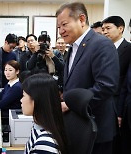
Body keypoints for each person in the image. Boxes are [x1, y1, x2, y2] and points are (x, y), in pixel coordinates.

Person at [56, 2, 119, 154]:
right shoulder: (73, 48)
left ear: (82, 19)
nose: (61, 31)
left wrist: (70, 104)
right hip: (79, 127)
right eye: (59, 27)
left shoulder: (101, 44)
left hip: (96, 129)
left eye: (64, 25)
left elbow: (106, 86)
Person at [102, 16, 131, 154]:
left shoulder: (129, 49)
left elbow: (126, 83)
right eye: (103, 29)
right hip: (103, 102)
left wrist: (120, 111)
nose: (105, 32)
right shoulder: (103, 49)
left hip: (120, 103)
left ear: (120, 29)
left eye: (108, 28)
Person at [21, 73, 68, 154]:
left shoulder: (44, 145)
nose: (21, 100)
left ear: (36, 100)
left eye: (23, 96)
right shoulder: (39, 127)